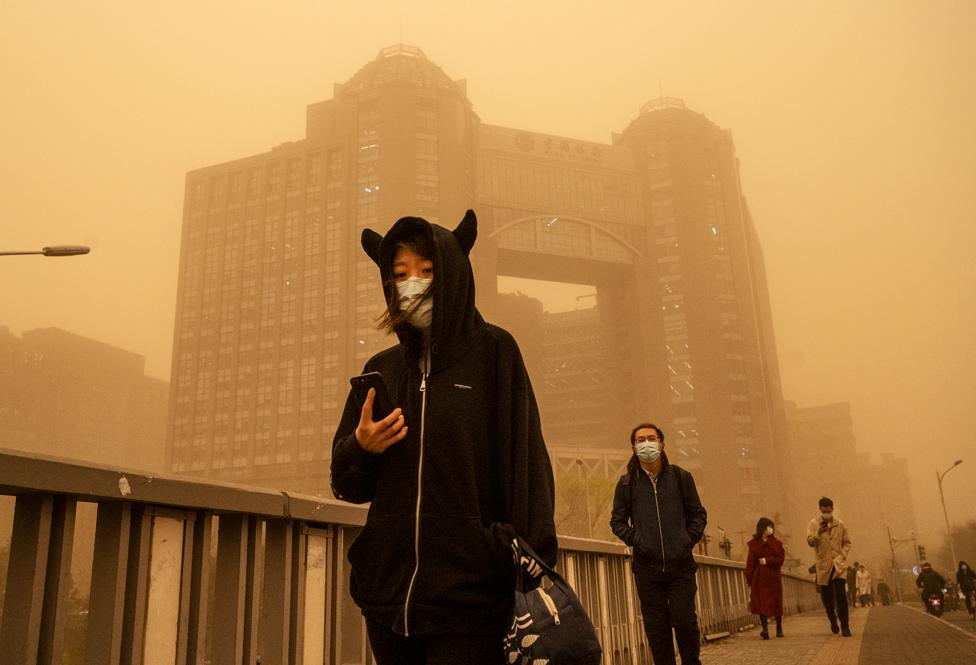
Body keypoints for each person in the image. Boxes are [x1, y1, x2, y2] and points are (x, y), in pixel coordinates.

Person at [330, 210, 557, 664]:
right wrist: (362, 447)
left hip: (470, 604)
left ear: (451, 272)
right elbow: (346, 485)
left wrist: (509, 555)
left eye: (426, 270)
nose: (412, 282)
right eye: (400, 273)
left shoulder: (495, 353)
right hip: (389, 603)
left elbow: (527, 464)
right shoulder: (383, 369)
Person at [610, 423, 708, 665]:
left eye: (650, 438)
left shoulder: (681, 477)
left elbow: (698, 515)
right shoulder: (626, 484)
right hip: (647, 569)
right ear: (633, 447)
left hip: (681, 566)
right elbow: (617, 521)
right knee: (657, 629)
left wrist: (685, 540)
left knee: (685, 622)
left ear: (662, 443)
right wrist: (639, 541)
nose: (646, 444)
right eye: (640, 440)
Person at [806, 496, 853, 636]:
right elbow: (810, 542)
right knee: (827, 599)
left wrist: (842, 555)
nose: (826, 512)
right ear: (820, 509)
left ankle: (845, 626)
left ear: (832, 509)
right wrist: (818, 533)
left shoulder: (841, 524)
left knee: (841, 597)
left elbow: (847, 542)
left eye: (828, 510)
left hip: (838, 566)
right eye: (823, 510)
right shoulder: (814, 524)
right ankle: (832, 620)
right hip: (823, 566)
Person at [744, 517, 785, 639]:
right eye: (768, 526)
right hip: (760, 578)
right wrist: (749, 578)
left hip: (773, 576)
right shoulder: (754, 544)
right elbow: (750, 563)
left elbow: (780, 560)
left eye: (772, 526)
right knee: (762, 602)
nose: (771, 529)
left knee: (776, 601)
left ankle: (779, 628)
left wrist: (767, 560)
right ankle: (765, 629)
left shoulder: (777, 544)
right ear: (762, 528)